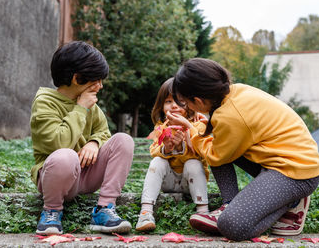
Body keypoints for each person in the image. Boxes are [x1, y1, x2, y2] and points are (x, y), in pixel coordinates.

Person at [167, 58, 319, 241]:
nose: (187, 108)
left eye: (186, 103)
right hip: (278, 158)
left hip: (296, 173)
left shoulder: (230, 116)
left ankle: (292, 201)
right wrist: (197, 129)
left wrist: (190, 129)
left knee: (231, 226)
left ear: (198, 100)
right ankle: (230, 203)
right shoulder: (235, 92)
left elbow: (215, 156)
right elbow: (218, 143)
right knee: (213, 143)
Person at [30, 41, 134, 235]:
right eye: (97, 80)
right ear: (77, 78)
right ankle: (52, 211)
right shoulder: (45, 102)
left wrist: (94, 143)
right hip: (55, 177)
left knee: (123, 140)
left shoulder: (90, 105)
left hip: (85, 175)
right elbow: (57, 143)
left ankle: (104, 208)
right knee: (65, 155)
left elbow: (103, 131)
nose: (100, 86)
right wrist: (80, 109)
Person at [135, 78, 211, 232]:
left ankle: (203, 212)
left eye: (180, 101)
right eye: (169, 101)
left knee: (193, 163)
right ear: (161, 105)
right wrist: (167, 148)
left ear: (190, 103)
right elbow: (153, 151)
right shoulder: (160, 128)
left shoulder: (198, 124)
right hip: (168, 181)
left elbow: (199, 152)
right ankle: (146, 212)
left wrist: (185, 136)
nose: (174, 105)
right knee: (158, 161)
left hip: (189, 182)